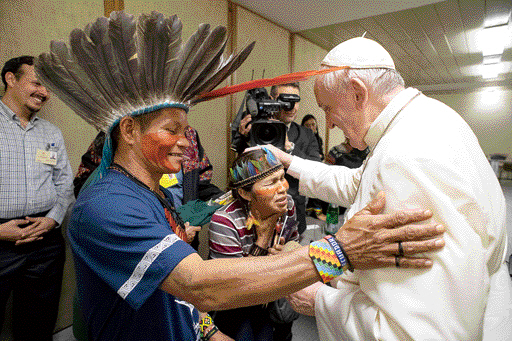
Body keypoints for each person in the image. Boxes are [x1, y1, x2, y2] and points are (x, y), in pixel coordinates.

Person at [37, 12, 446, 341]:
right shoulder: (106, 204)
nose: (186, 142)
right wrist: (339, 251)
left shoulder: (152, 194)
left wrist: (209, 332)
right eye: (173, 130)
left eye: (187, 130)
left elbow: (170, 292)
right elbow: (197, 283)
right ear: (128, 131)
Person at [262, 37, 512, 340]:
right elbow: (358, 182)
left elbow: (416, 332)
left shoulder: (405, 155)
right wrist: (289, 162)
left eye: (328, 108)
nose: (328, 124)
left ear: (357, 92)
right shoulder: (426, 119)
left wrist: (320, 301)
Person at [0, 56, 74, 340]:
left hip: (45, 241)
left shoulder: (50, 132)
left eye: (48, 87)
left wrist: (52, 220)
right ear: (11, 79)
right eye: (37, 82)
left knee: (38, 324)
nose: (44, 92)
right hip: (1, 238)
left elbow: (64, 183)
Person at [73, 126, 223, 248]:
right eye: (170, 131)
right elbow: (84, 183)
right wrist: (175, 236)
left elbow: (200, 182)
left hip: (182, 235)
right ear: (129, 132)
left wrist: (226, 199)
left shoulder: (190, 135)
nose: (184, 142)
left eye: (182, 132)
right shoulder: (111, 138)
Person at [209, 148, 300, 340]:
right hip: (235, 305)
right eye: (271, 183)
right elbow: (234, 286)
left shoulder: (287, 205)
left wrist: (286, 254)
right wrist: (263, 239)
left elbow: (294, 242)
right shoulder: (224, 221)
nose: (283, 188)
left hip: (274, 292)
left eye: (282, 178)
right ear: (245, 193)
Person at [233, 82, 321, 234]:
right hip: (255, 214)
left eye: (296, 101)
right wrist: (242, 138)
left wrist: (290, 147)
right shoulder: (255, 127)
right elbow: (241, 172)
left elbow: (316, 170)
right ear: (272, 99)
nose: (291, 106)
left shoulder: (306, 135)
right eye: (285, 100)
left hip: (293, 213)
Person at [301, 114, 328, 221]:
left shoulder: (319, 139)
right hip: (303, 167)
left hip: (315, 167)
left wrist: (320, 157)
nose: (311, 127)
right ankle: (316, 211)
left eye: (313, 124)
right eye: (308, 125)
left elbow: (320, 155)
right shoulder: (301, 139)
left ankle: (314, 209)